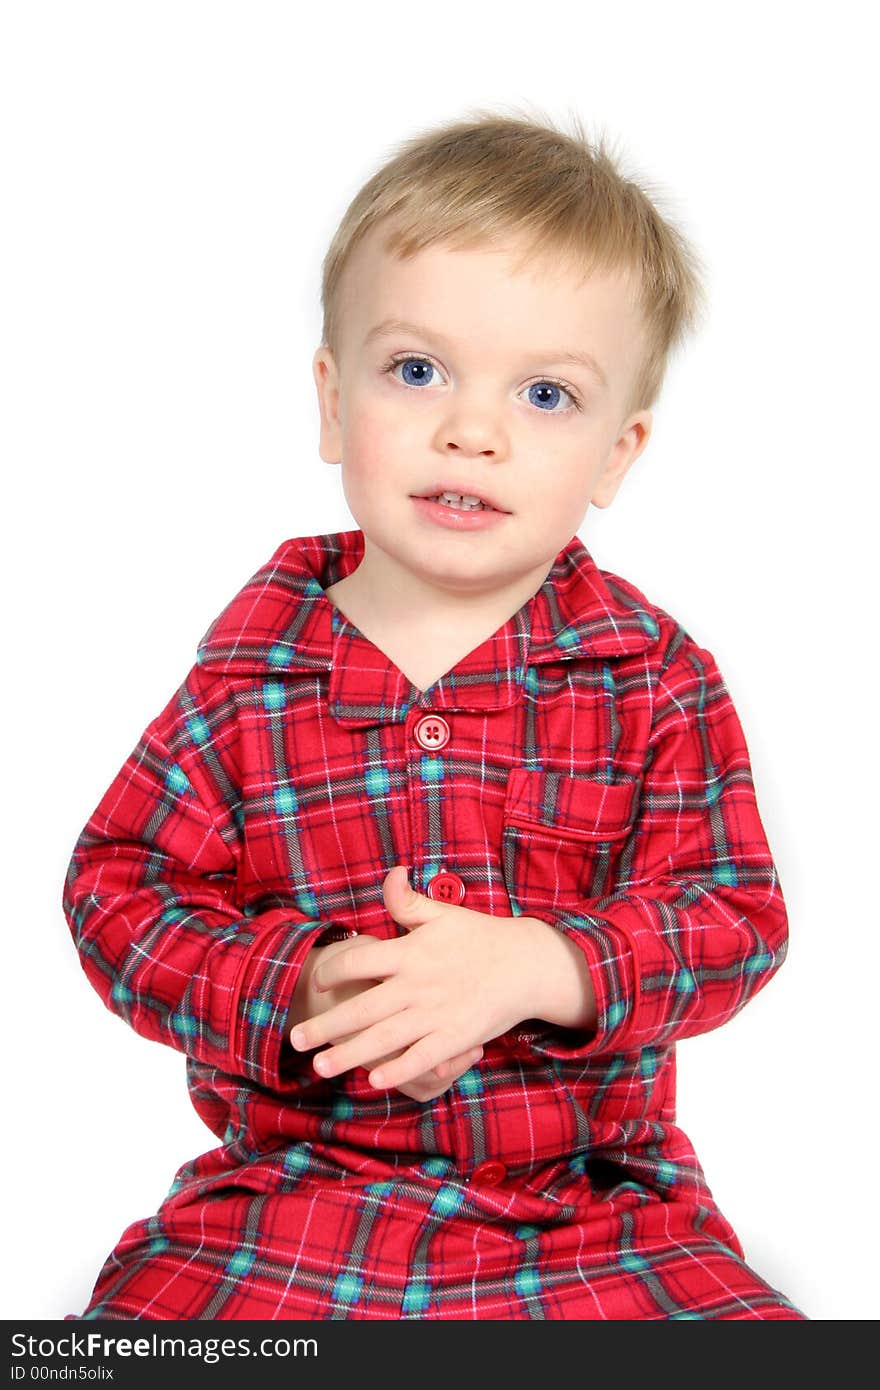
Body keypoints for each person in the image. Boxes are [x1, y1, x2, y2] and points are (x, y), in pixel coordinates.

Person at [63, 110, 807, 1320]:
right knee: (134, 1336)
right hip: (296, 1188)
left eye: (547, 394)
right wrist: (296, 983)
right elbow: (118, 891)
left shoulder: (654, 676)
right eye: (417, 371)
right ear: (329, 397)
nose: (474, 427)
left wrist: (548, 964)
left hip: (589, 1203)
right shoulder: (251, 672)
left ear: (617, 455)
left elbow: (732, 917)